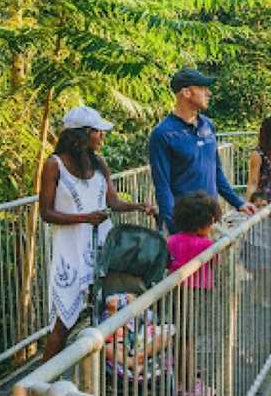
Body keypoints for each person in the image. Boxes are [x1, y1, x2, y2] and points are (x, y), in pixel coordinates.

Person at [39, 106, 157, 361]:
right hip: (69, 252)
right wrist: (84, 218)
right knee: (63, 323)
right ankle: (41, 382)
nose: (103, 137)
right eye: (98, 132)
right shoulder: (54, 165)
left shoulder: (98, 162)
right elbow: (46, 213)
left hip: (101, 247)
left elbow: (112, 202)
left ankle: (112, 371)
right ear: (82, 135)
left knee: (106, 310)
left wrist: (139, 206)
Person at [150, 68, 255, 234]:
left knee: (216, 260)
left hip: (211, 219)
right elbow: (162, 186)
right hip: (185, 224)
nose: (209, 93)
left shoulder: (208, 125)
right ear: (186, 92)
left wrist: (238, 202)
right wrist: (175, 230)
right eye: (203, 88)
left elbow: (216, 172)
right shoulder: (162, 134)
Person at [167, 191, 222, 396]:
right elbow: (215, 264)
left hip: (175, 293)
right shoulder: (207, 246)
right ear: (204, 222)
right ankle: (189, 386)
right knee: (189, 340)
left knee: (180, 338)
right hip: (197, 295)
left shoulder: (171, 240)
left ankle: (182, 380)